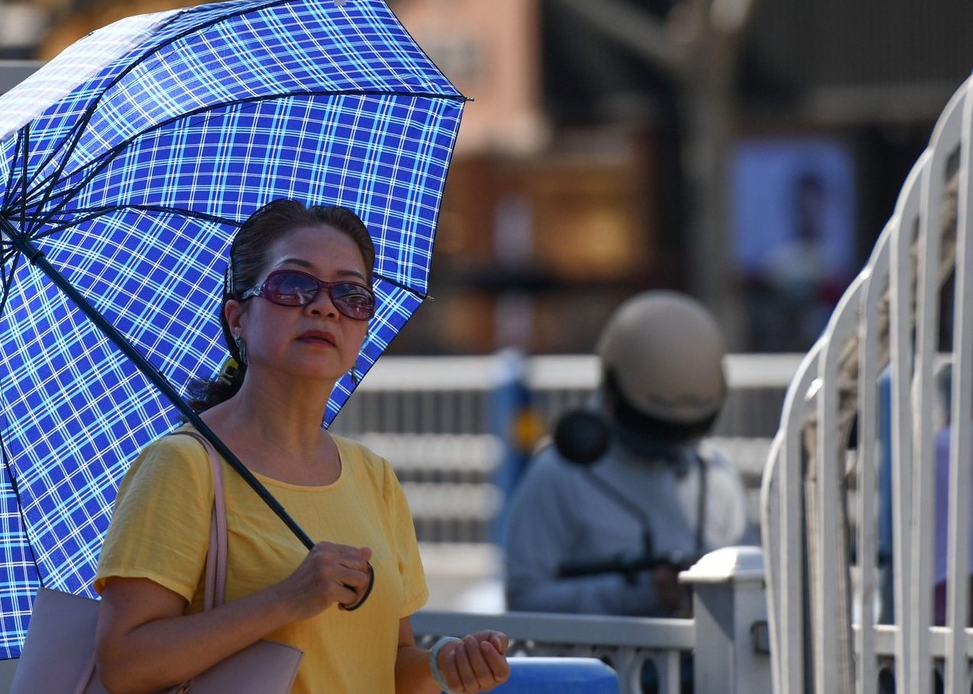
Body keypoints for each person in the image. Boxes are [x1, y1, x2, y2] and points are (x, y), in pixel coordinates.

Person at [93, 199, 510, 694]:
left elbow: (389, 665)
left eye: (351, 295)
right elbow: (124, 664)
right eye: (293, 285)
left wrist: (444, 664)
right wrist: (288, 599)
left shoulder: (372, 476)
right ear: (237, 318)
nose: (324, 306)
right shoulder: (184, 465)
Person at [503, 290, 750, 617]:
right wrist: (640, 592)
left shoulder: (716, 477)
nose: (667, 441)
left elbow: (749, 587)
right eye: (654, 426)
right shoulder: (558, 474)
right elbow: (524, 599)